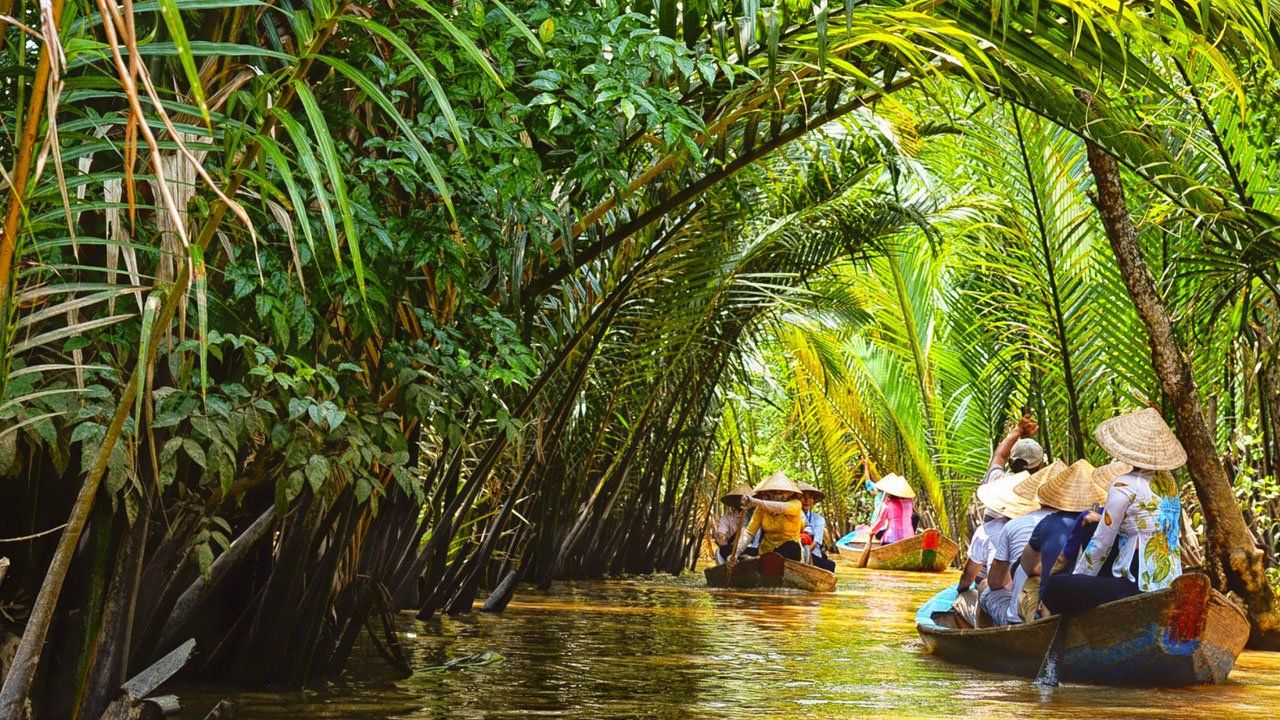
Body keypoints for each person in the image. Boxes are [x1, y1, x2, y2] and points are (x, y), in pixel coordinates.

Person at [1042, 409, 1186, 616]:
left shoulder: (1124, 484)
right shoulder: (1170, 484)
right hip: (1168, 581)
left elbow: (1101, 543)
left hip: (1136, 585)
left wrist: (1079, 580)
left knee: (1055, 587)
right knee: (1092, 526)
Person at [976, 460, 1064, 626]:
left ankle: (982, 642)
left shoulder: (1014, 525)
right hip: (1061, 615)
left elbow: (995, 583)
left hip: (1018, 619)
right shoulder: (1082, 523)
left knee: (983, 586)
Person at [1017, 459, 1100, 622]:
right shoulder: (1105, 521)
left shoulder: (1048, 522)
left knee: (1030, 583)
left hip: (1054, 605)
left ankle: (1035, 617)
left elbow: (1027, 566)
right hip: (1091, 599)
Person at [951, 470, 1036, 626]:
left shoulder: (989, 529)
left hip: (1013, 608)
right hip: (1035, 603)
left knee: (979, 588)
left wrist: (960, 590)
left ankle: (981, 635)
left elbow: (969, 576)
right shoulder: (1042, 523)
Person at [967, 411, 1046, 536]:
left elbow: (1000, 456)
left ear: (1010, 462)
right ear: (1040, 465)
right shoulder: (1046, 494)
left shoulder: (997, 481)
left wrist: (1018, 430)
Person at [729, 471, 806, 565]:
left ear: (789, 493)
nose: (778, 494)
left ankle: (758, 560)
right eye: (774, 491)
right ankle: (759, 560)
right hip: (764, 552)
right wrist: (735, 554)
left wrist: (755, 502)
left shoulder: (796, 504)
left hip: (788, 553)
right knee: (725, 550)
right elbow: (749, 533)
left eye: (782, 491)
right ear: (767, 493)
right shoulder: (761, 509)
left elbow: (781, 508)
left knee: (792, 546)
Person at [798, 482, 836, 572]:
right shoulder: (790, 515)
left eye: (810, 497)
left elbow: (815, 543)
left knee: (831, 565)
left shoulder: (819, 519)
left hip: (811, 553)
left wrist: (803, 553)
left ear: (813, 500)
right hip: (794, 551)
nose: (807, 500)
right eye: (803, 497)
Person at [867, 473, 916, 545]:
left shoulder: (887, 505)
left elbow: (881, 522)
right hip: (908, 537)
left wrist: (872, 531)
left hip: (892, 539)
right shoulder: (909, 503)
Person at [713, 483, 753, 564]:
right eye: (740, 498)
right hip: (731, 548)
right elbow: (720, 535)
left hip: (750, 548)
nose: (743, 500)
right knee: (719, 552)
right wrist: (729, 547)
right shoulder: (727, 517)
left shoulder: (756, 515)